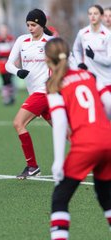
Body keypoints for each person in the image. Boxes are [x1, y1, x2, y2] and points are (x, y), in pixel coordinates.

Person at [45, 37, 111, 240]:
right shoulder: (88, 74)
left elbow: (59, 122)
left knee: (60, 199)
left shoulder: (54, 84)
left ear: (48, 59)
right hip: (108, 140)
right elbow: (108, 104)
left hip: (86, 145)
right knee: (106, 197)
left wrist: (57, 161)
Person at [5, 9, 54, 179]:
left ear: (41, 24)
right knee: (67, 132)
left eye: (33, 25)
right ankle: (99, 159)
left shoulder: (51, 41)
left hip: (44, 92)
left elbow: (67, 61)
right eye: (28, 25)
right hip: (36, 93)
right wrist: (18, 72)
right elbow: (8, 64)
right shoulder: (21, 41)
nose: (30, 28)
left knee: (18, 123)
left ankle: (32, 166)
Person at [73, 5, 111, 91]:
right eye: (90, 14)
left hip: (106, 81)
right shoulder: (82, 33)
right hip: (90, 80)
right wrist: (79, 62)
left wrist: (94, 56)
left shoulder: (108, 35)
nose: (92, 16)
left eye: (95, 13)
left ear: (101, 16)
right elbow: (76, 49)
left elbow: (109, 61)